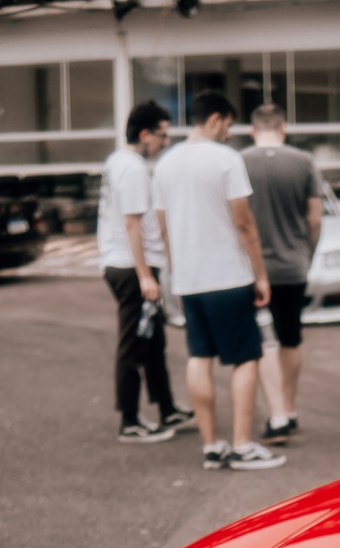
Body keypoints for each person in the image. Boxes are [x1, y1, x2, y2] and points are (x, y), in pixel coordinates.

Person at [153, 89, 285, 472]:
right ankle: (242, 446)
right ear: (214, 119)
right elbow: (244, 223)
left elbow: (162, 227)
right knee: (246, 358)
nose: (229, 131)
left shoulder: (166, 163)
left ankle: (212, 446)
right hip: (228, 276)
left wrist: (175, 270)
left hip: (189, 279)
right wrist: (260, 275)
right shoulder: (226, 159)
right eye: (227, 123)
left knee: (200, 357)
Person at [97, 100, 193, 444]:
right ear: (144, 134)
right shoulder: (134, 168)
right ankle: (130, 420)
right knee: (134, 344)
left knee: (153, 340)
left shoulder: (117, 161)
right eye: (162, 135)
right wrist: (145, 276)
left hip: (123, 262)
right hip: (130, 267)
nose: (165, 142)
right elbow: (132, 224)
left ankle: (166, 408)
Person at [242, 103, 324, 445]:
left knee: (263, 342)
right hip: (293, 266)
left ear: (252, 129)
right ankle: (288, 409)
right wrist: (307, 252)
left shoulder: (239, 162)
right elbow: (316, 218)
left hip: (251, 268)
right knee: (290, 338)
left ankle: (275, 414)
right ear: (283, 126)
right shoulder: (304, 162)